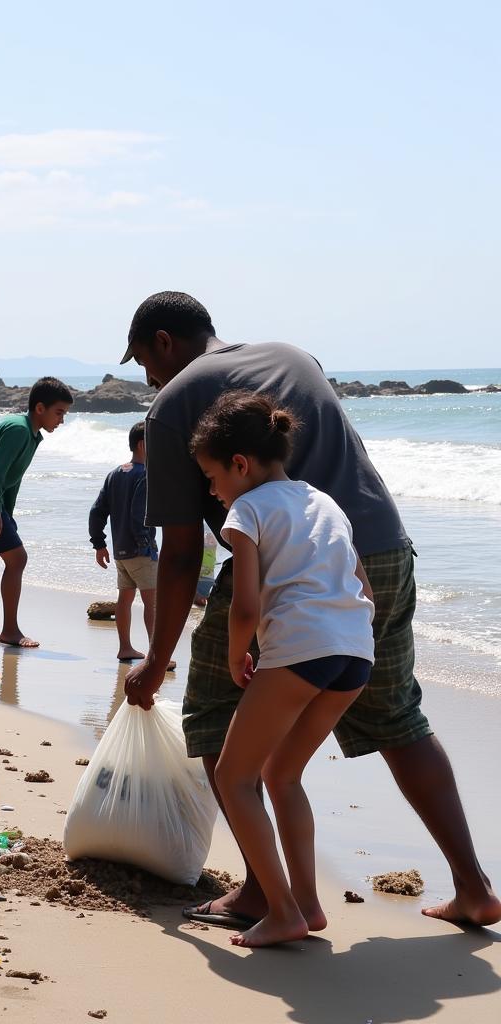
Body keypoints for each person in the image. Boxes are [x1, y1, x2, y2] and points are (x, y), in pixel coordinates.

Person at [120, 290, 500, 928]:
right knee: (398, 716)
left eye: (144, 361)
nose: (149, 378)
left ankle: (266, 893)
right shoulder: (295, 356)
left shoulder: (173, 403)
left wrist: (157, 660)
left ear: (163, 341)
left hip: (281, 573)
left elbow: (183, 552)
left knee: (216, 710)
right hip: (374, 549)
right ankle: (474, 887)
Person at [190, 390, 375, 947]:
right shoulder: (324, 501)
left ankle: (283, 908)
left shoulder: (247, 509)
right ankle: (309, 905)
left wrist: (234, 653)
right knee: (282, 774)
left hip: (300, 648)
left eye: (211, 476)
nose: (212, 489)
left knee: (233, 776)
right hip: (354, 652)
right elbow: (362, 583)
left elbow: (245, 605)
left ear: (240, 465)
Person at [0, 376, 73, 648]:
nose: (62, 420)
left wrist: (6, 513)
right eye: (59, 413)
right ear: (39, 408)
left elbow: (11, 479)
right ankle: (10, 631)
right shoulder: (19, 429)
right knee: (17, 559)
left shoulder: (32, 435)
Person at [88, 420, 157, 660]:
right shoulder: (146, 475)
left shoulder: (115, 473)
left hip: (120, 550)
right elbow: (139, 515)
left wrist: (99, 544)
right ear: (142, 445)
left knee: (125, 599)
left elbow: (97, 511)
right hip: (140, 550)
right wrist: (145, 543)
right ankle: (155, 655)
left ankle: (125, 647)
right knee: (153, 603)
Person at [194, 525, 218, 606]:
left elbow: (214, 541)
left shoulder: (212, 547)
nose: (209, 539)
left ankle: (203, 603)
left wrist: (208, 535)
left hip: (206, 579)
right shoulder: (204, 547)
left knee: (203, 595)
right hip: (204, 579)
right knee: (202, 595)